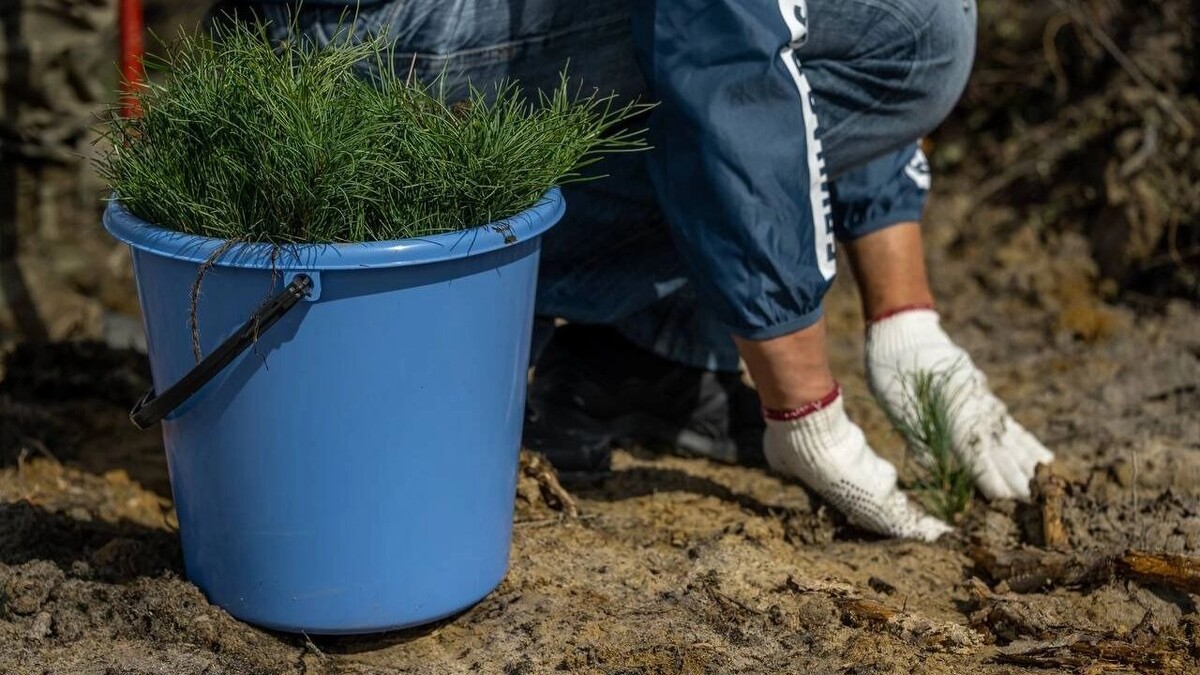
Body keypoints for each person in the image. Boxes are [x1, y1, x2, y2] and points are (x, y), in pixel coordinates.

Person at [215, 0, 1053, 540]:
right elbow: (726, 33)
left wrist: (906, 319)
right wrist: (809, 411)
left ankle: (649, 354)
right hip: (344, 54)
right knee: (918, 31)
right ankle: (446, 276)